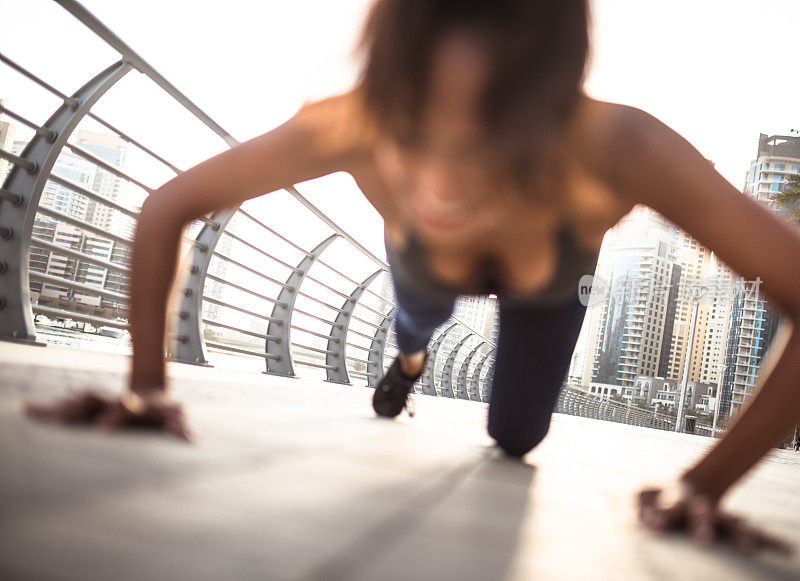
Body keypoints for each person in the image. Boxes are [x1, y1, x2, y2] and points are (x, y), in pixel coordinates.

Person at [25, 0, 800, 556]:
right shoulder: (354, 119)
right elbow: (168, 209)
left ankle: (427, 353)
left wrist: (706, 483)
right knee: (419, 316)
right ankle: (412, 359)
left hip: (547, 282)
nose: (447, 177)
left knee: (516, 436)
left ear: (545, 102)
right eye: (420, 133)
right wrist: (148, 387)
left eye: (488, 137)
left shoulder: (615, 143)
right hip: (425, 265)